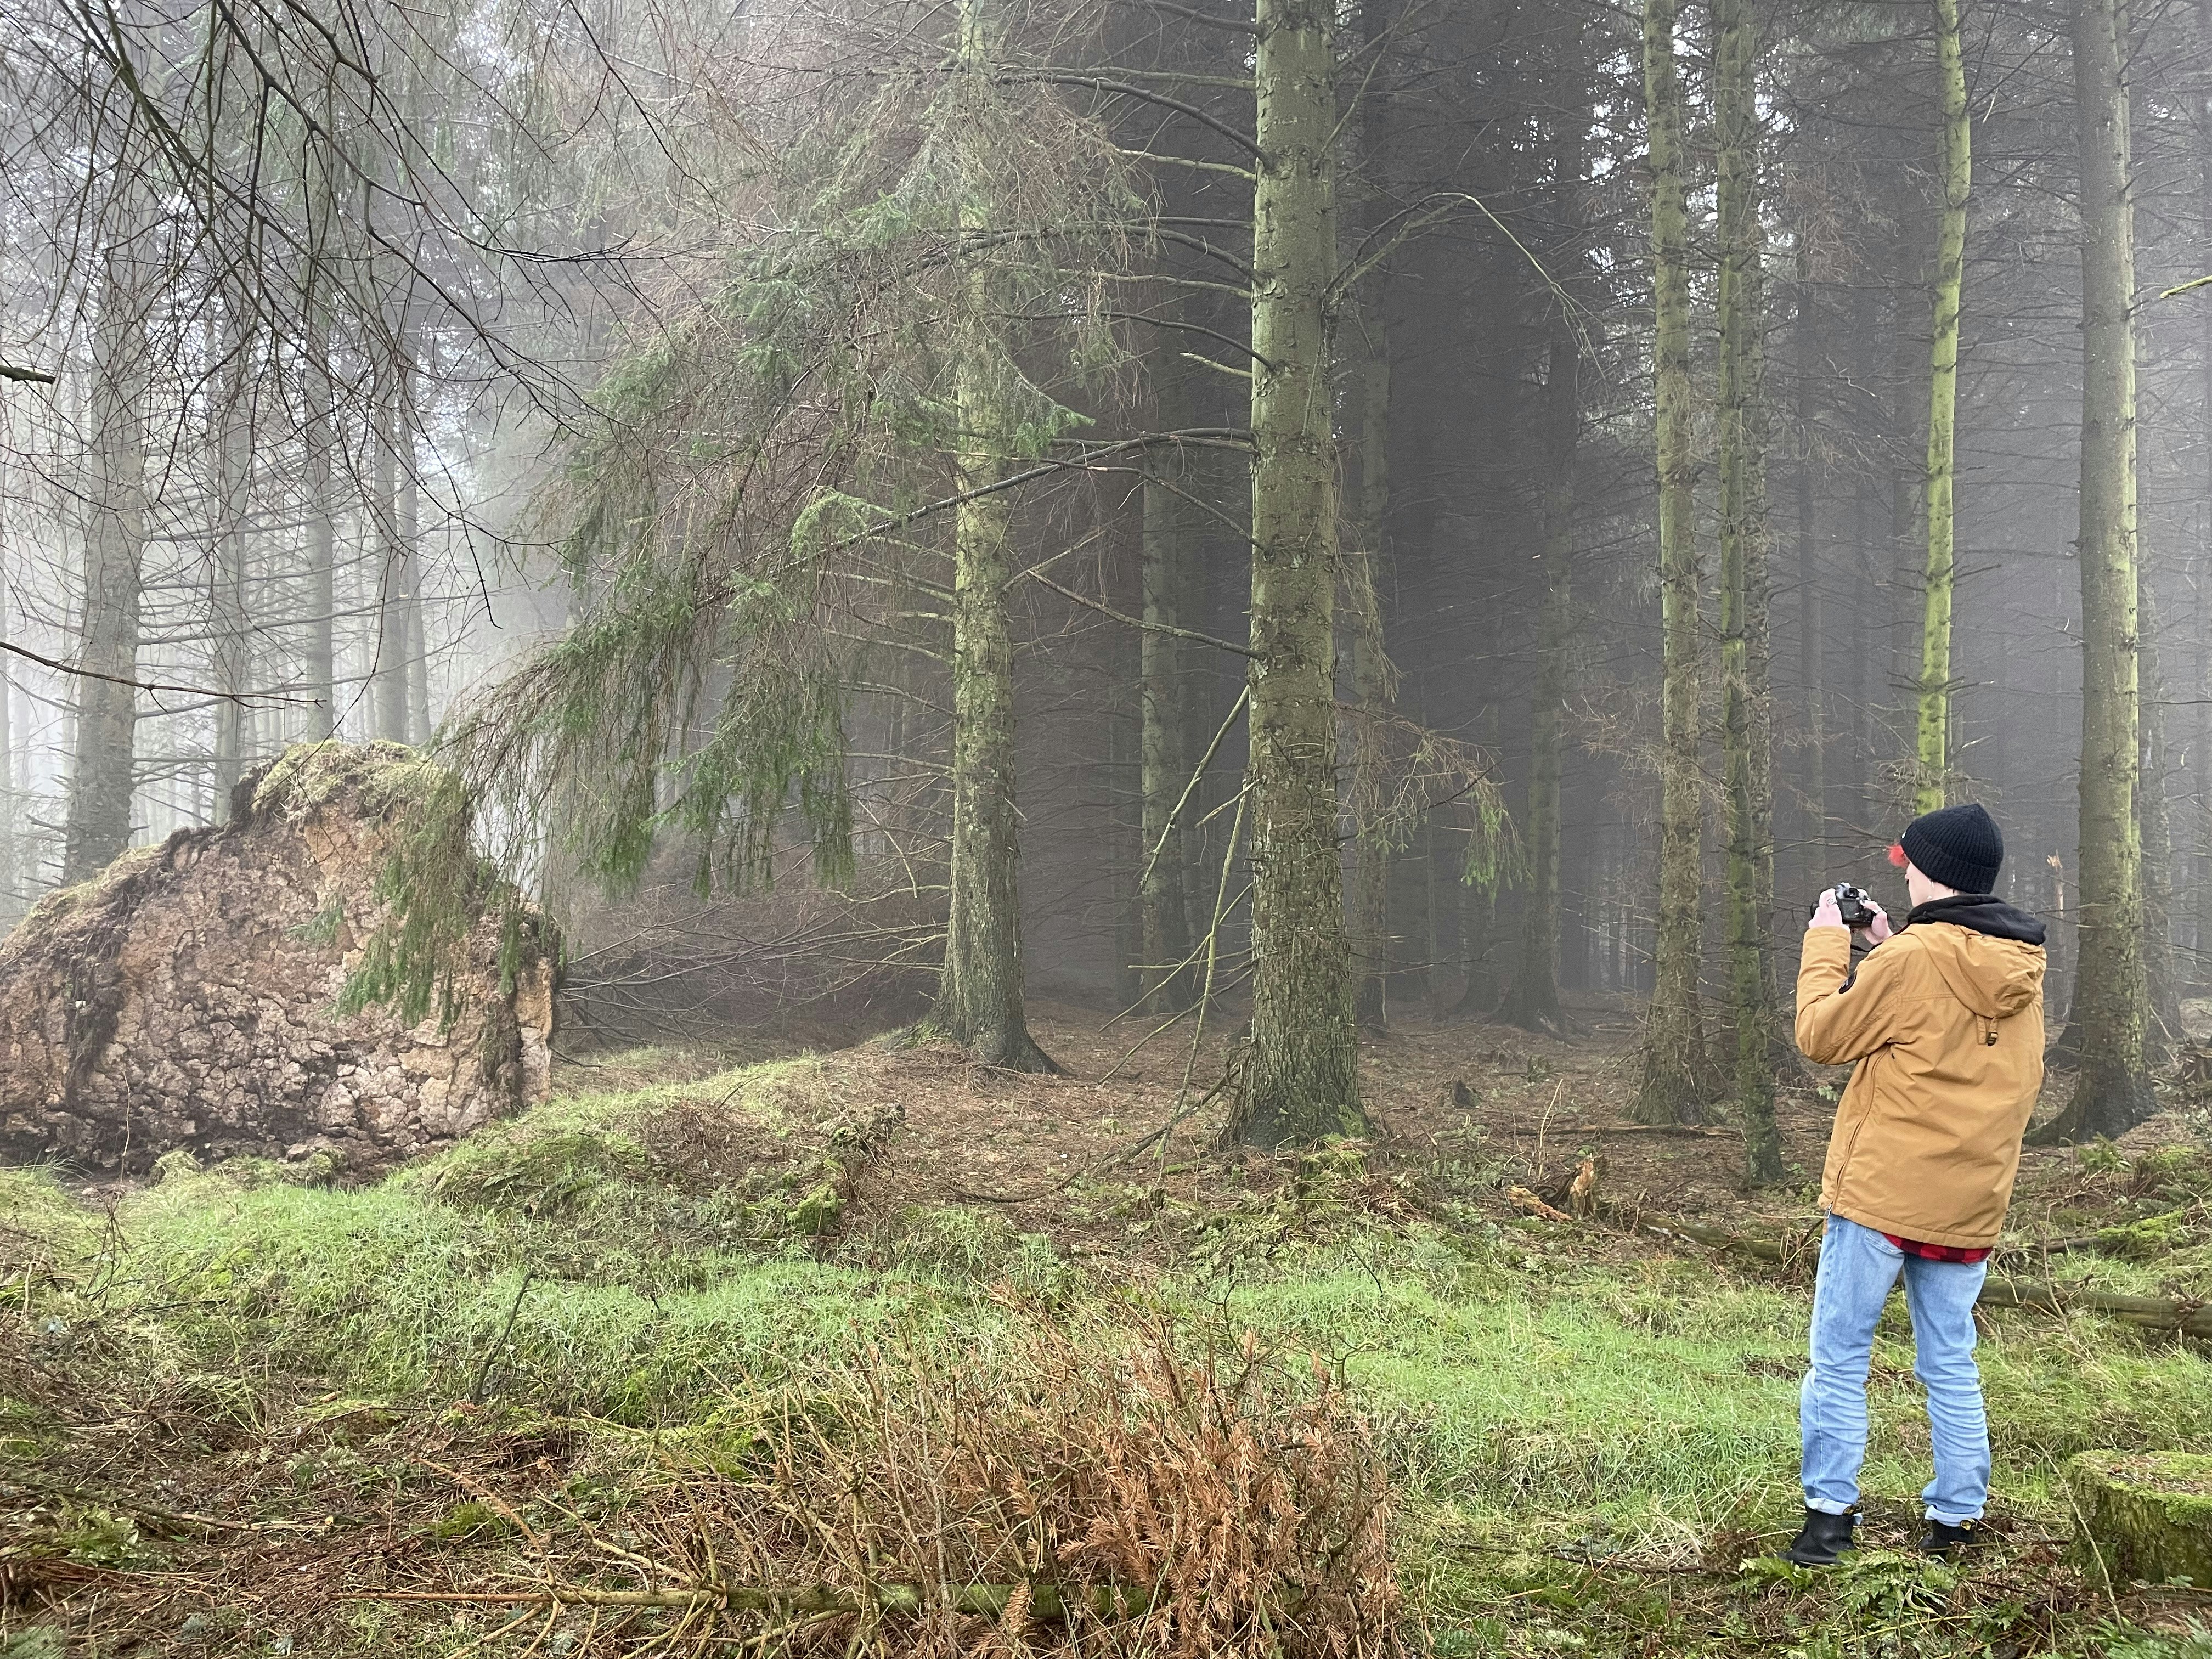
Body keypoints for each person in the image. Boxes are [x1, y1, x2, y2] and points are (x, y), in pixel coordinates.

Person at [1784, 802, 2048, 1566]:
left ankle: (1828, 1523)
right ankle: (1956, 1523)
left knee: (1840, 1356)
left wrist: (1828, 941)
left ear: (1929, 871)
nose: (1901, 877)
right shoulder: (2021, 967)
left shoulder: (1909, 962)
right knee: (1950, 1363)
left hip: (1881, 1196)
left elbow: (1820, 1035)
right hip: (1969, 1202)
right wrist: (1889, 944)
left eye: (1906, 864)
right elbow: (1953, 1022)